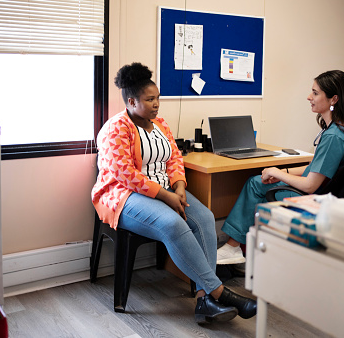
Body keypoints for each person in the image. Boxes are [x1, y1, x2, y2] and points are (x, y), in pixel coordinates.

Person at [91, 62, 256, 324]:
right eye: (150, 99)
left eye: (158, 98)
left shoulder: (160, 124)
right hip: (125, 197)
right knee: (171, 223)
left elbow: (174, 158)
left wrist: (178, 186)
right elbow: (126, 175)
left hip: (167, 190)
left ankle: (204, 299)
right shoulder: (115, 129)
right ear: (132, 102)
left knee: (204, 218)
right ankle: (219, 292)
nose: (157, 104)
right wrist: (166, 196)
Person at [217, 70, 344, 265]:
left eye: (315, 93)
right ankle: (239, 250)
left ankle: (234, 247)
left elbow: (310, 185)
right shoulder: (343, 129)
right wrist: (282, 173)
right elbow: (317, 168)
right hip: (327, 193)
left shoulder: (333, 137)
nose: (309, 97)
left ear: (334, 99)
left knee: (255, 185)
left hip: (314, 198)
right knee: (260, 181)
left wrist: (278, 173)